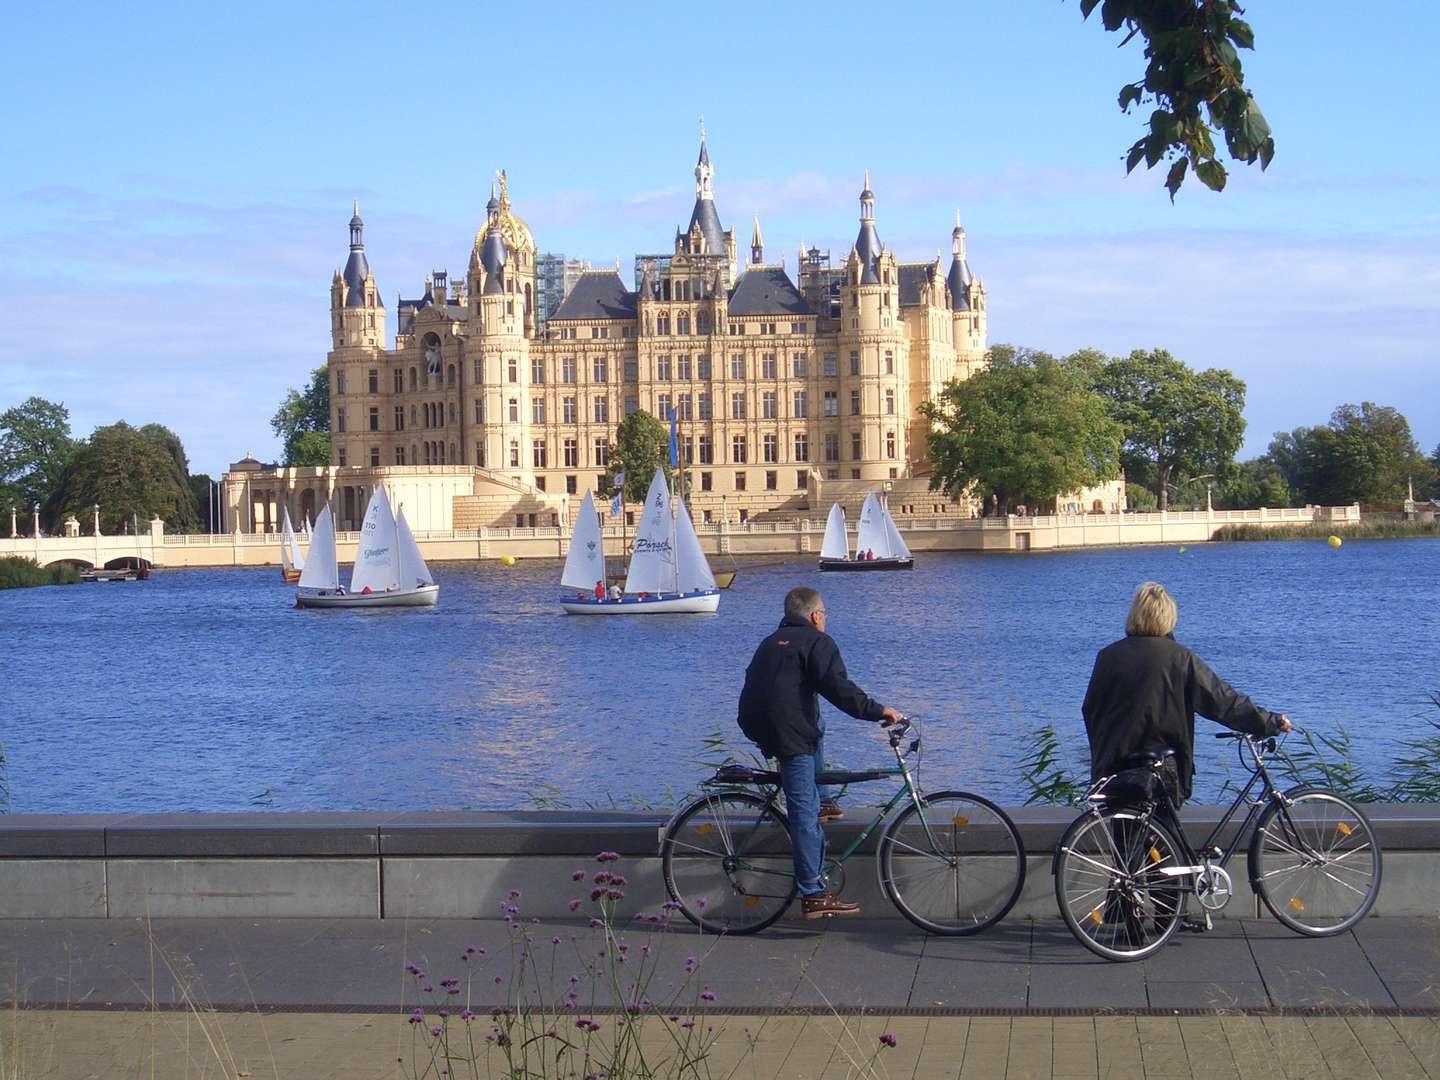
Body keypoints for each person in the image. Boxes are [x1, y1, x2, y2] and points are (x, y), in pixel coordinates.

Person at [737, 586, 903, 919]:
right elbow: (839, 689)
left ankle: (823, 798)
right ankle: (813, 892)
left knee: (818, 721)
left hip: (757, 722)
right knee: (804, 814)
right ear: (816, 616)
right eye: (824, 614)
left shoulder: (769, 643)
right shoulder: (817, 641)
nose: (824, 620)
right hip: (789, 734)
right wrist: (878, 711)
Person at [1083, 581, 1291, 808]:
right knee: (1163, 838)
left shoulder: (1108, 657)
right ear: (1168, 618)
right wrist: (1270, 721)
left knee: (1125, 838)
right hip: (1160, 768)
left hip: (1113, 768)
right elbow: (1221, 700)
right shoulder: (1179, 658)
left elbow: (1090, 709)